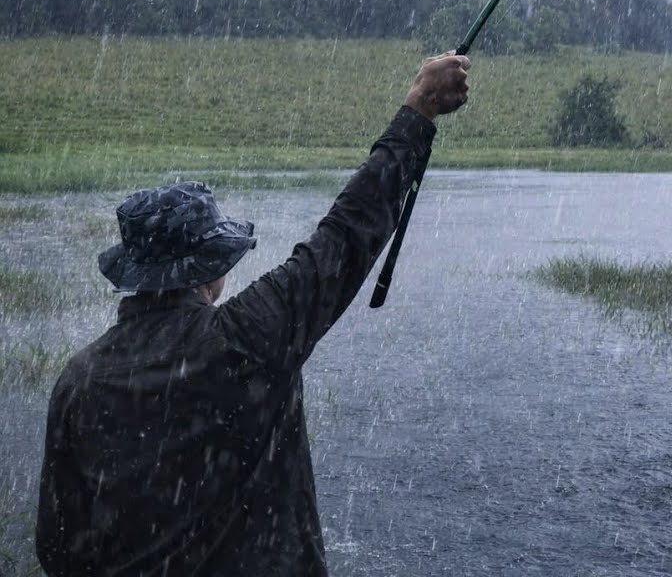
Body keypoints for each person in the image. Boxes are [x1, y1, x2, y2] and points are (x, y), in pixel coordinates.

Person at [36, 51, 471, 575]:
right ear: (210, 271)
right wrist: (416, 111)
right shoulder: (247, 337)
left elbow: (59, 547)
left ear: (137, 274)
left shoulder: (80, 381)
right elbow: (346, 234)